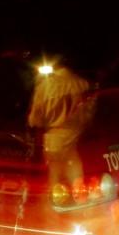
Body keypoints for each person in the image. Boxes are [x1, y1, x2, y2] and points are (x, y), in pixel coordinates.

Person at [27, 55, 94, 186]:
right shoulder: (83, 84)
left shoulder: (46, 85)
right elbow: (89, 115)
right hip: (76, 139)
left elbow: (36, 118)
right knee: (77, 181)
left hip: (53, 140)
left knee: (53, 180)